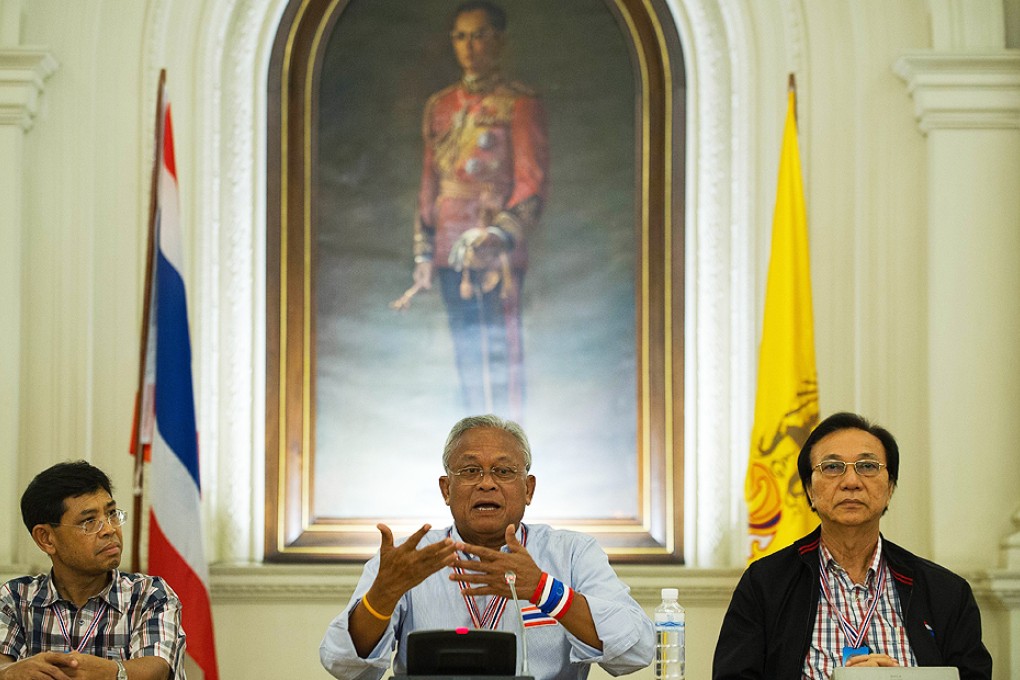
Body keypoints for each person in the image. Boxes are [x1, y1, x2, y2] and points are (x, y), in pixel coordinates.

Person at [319, 414, 653, 680]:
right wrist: (382, 596)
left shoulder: (572, 552)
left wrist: (543, 590)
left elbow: (636, 650)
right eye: (470, 470)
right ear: (446, 489)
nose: (487, 482)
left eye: (504, 471)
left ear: (528, 489)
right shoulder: (409, 559)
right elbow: (343, 664)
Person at [713, 412, 993, 680]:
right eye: (832, 467)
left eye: (868, 466)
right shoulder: (766, 584)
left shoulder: (946, 592)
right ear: (810, 490)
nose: (851, 482)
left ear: (890, 487)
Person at [401, 1, 549, 421]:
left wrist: (499, 234)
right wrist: (424, 252)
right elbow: (430, 183)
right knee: (467, 357)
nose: (470, 47)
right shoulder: (441, 105)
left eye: (480, 35)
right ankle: (471, 455)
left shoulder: (519, 104)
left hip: (493, 249)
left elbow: (531, 182)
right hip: (450, 244)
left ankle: (508, 457)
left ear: (499, 41)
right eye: (461, 37)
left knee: (501, 361)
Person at [0, 461, 186, 680]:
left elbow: (157, 670)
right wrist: (12, 673)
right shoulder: (14, 599)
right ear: (46, 538)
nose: (109, 529)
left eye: (112, 513)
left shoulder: (149, 595)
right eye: (89, 521)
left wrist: (110, 672)